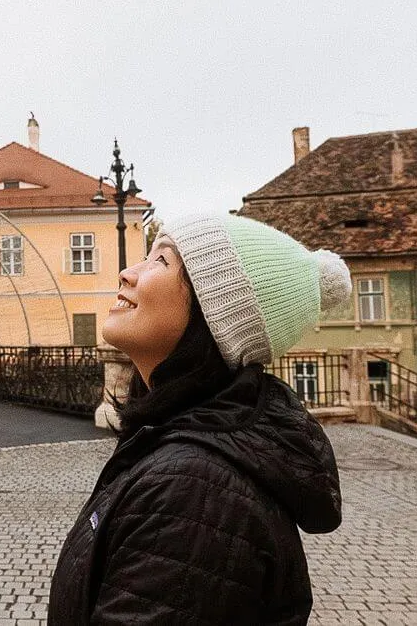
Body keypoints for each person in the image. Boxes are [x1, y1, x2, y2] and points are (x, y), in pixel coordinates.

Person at [48, 213, 351, 625]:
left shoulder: (192, 493)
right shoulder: (186, 454)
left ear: (213, 314)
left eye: (161, 261)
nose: (126, 273)